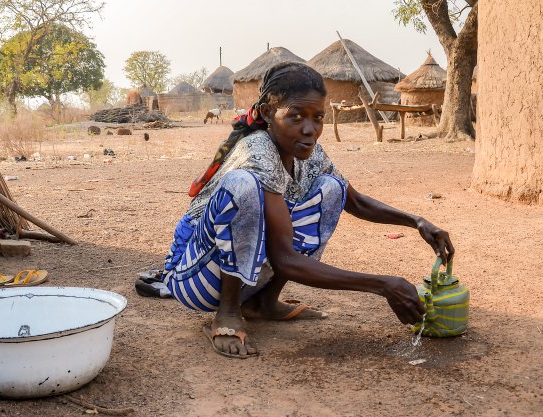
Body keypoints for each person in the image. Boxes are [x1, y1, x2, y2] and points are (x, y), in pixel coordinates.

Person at [161, 62, 454, 359]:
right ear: (267, 114)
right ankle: (228, 311)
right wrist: (383, 285)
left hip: (230, 270)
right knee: (243, 185)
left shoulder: (306, 150)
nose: (309, 129)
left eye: (318, 118)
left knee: (332, 189)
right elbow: (285, 259)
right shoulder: (258, 150)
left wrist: (417, 222)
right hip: (193, 275)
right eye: (296, 116)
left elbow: (355, 201)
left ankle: (262, 303)